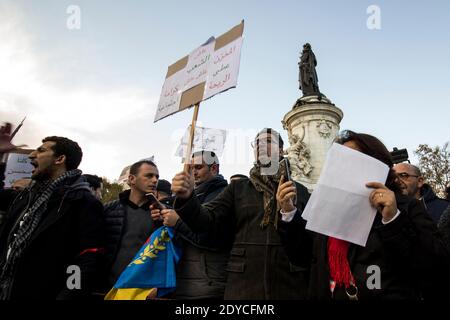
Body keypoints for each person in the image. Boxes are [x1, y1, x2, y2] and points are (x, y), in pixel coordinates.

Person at [279, 130, 449, 300]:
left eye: (352, 159)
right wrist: (289, 213)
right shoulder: (328, 209)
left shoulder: (406, 207)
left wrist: (393, 221)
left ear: (376, 163)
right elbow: (303, 257)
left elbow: (434, 266)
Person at [171, 128, 310, 299]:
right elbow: (207, 222)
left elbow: (308, 246)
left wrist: (289, 213)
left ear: (281, 150)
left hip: (289, 286)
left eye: (268, 141)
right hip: (244, 286)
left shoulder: (301, 192)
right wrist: (187, 198)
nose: (260, 145)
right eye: (256, 142)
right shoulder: (239, 188)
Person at [0, 130, 105, 300]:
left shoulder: (82, 202)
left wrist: (69, 295)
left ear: (59, 159)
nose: (31, 156)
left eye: (41, 151)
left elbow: (87, 258)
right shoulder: (25, 196)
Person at [153, 151, 229, 299]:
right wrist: (163, 215)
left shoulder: (223, 195)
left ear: (214, 168)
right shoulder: (185, 196)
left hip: (206, 283)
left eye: (198, 167)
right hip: (181, 279)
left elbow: (211, 238)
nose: (193, 172)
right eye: (191, 168)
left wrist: (177, 222)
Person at [102, 160, 162, 289]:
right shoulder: (108, 210)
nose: (155, 180)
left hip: (144, 289)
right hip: (107, 287)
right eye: (149, 176)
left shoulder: (163, 214)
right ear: (131, 179)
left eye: (157, 177)